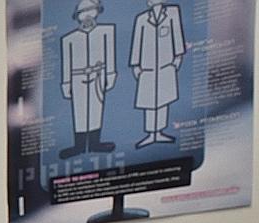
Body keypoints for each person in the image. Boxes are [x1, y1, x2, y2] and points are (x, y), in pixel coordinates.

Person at [59, 0, 117, 158]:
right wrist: (66, 85)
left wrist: (111, 74)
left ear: (97, 12)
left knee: (96, 110)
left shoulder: (106, 31)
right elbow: (67, 64)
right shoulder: (69, 39)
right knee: (79, 112)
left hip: (98, 75)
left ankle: (94, 143)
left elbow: (110, 54)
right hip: (77, 78)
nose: (87, 16)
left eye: (90, 11)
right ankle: (79, 145)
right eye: (82, 13)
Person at [130, 0, 185, 147]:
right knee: (149, 102)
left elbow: (177, 37)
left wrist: (177, 59)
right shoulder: (142, 19)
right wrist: (136, 66)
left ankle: (159, 132)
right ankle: (150, 134)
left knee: (163, 100)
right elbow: (137, 42)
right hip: (147, 68)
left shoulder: (172, 13)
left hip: (166, 65)